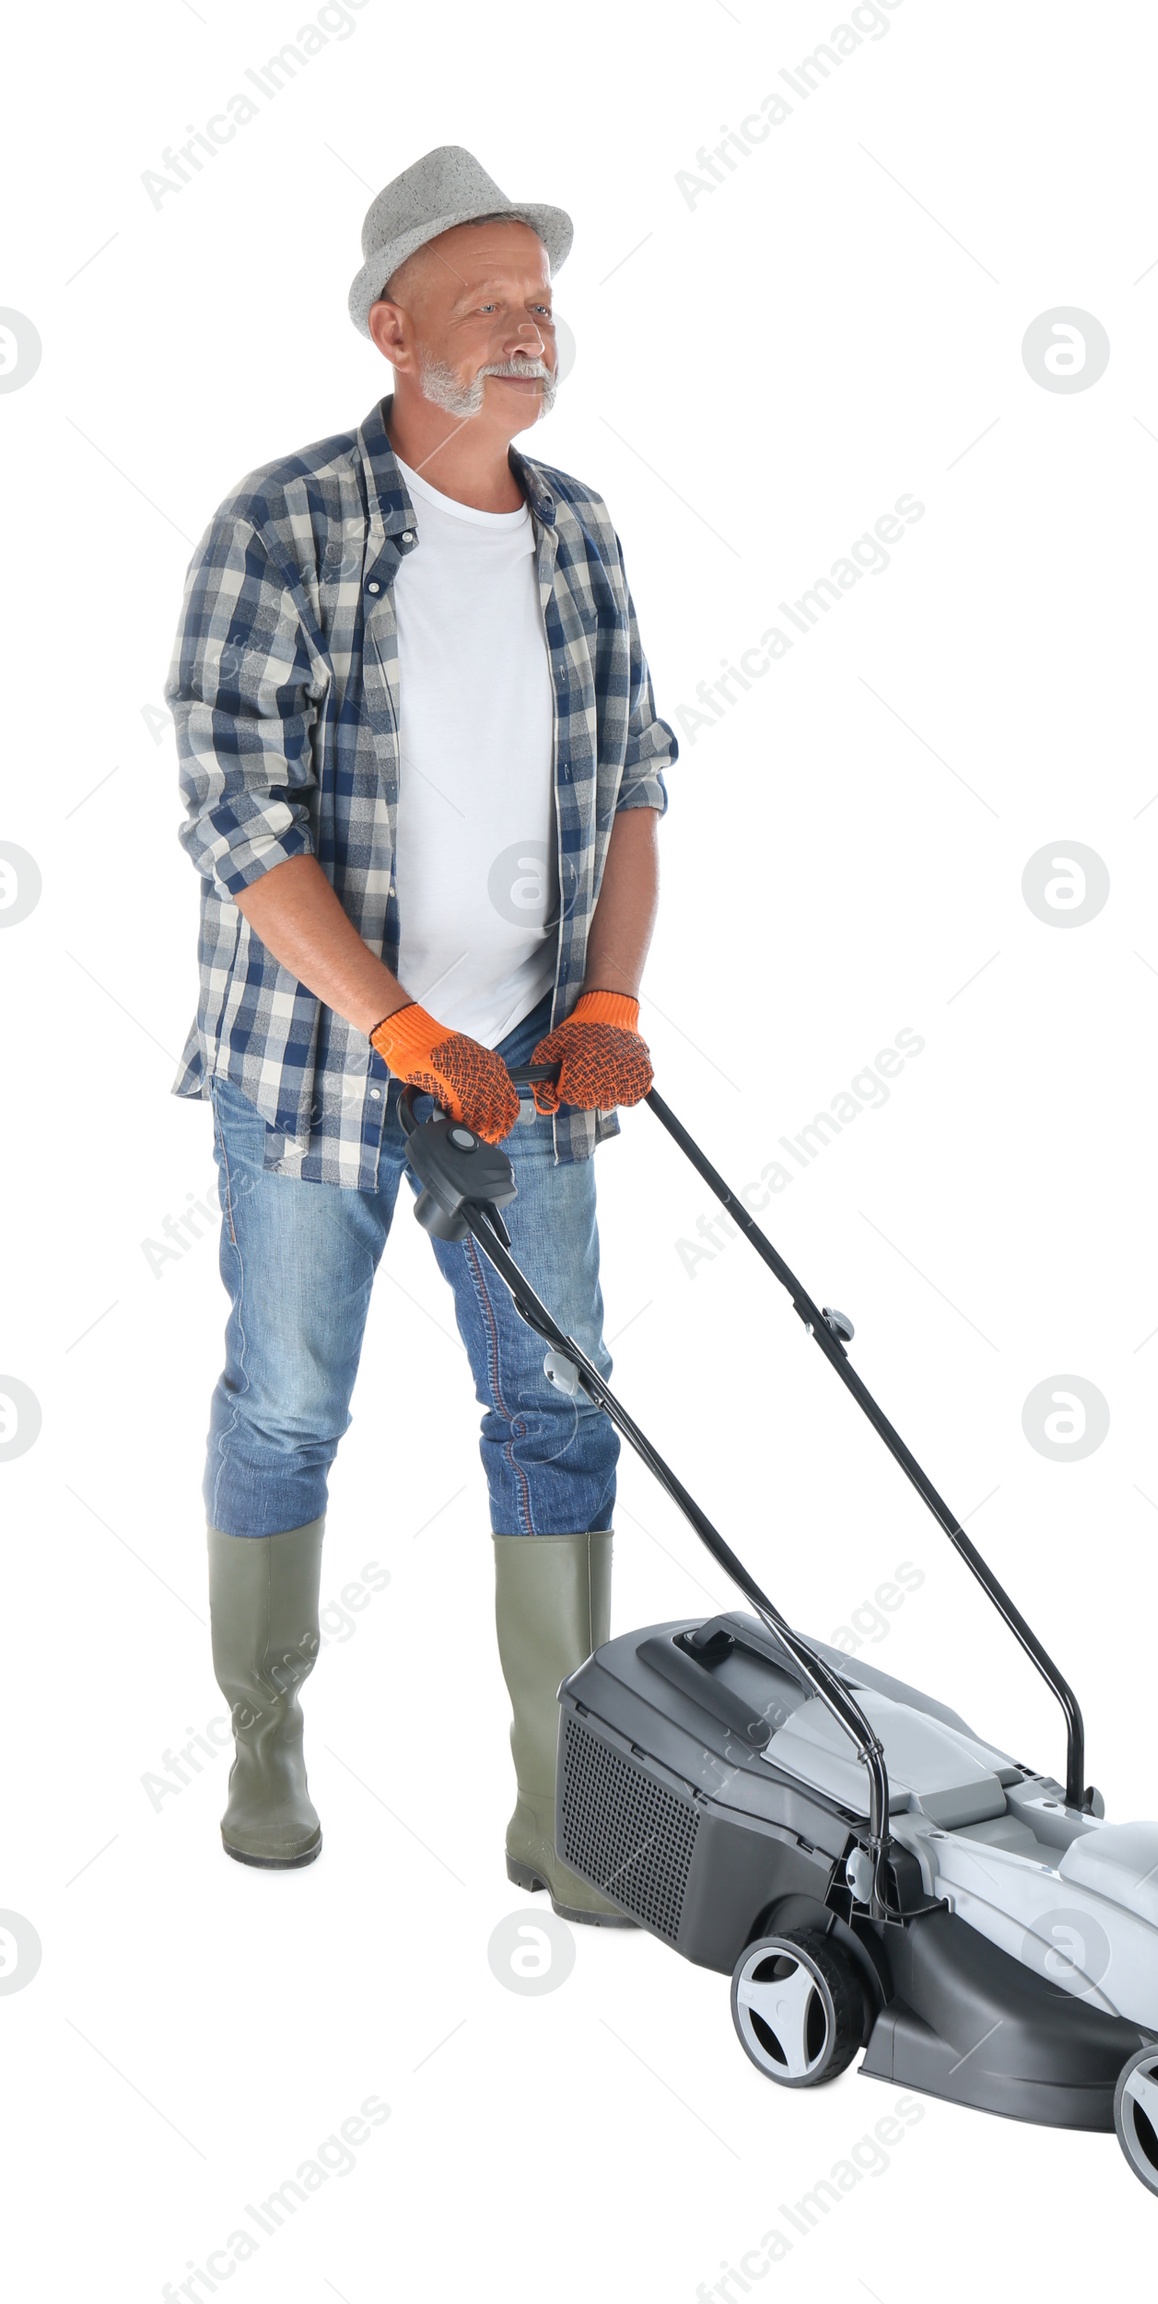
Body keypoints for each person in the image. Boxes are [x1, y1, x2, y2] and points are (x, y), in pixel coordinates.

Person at [166, 145, 675, 1925]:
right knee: (291, 1403)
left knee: (558, 1409)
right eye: (489, 304)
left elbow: (634, 788)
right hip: (314, 1073)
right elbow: (233, 813)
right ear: (393, 329)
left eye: (540, 304)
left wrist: (605, 997)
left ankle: (566, 1814)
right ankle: (262, 1732)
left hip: (529, 1064)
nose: (529, 330)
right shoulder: (281, 525)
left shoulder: (584, 534)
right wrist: (391, 1025)